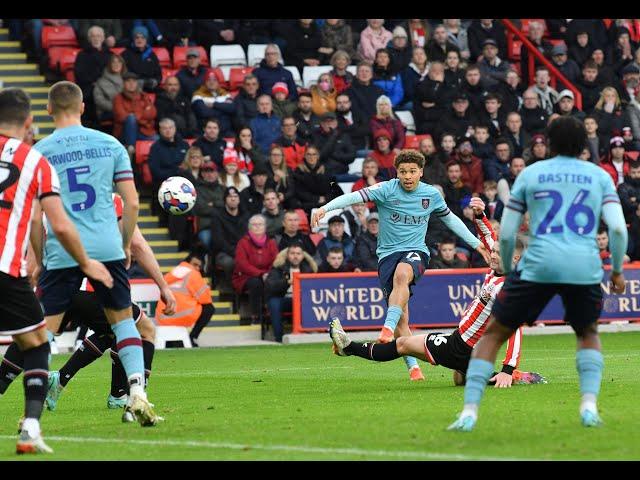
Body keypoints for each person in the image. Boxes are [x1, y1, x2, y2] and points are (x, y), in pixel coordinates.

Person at [447, 116, 628, 432]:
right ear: (583, 145)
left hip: (539, 263)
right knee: (587, 335)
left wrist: (507, 268)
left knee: (495, 333)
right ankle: (588, 407)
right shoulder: (600, 176)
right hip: (583, 265)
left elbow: (507, 235)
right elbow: (615, 228)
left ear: (548, 144)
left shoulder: (531, 174)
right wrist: (615, 271)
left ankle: (469, 412)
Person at [33, 82, 161, 427]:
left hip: (62, 249)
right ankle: (137, 394)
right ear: (84, 107)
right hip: (106, 246)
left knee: (44, 331)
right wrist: (121, 244)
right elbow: (132, 201)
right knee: (125, 323)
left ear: (48, 109)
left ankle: (33, 407)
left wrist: (38, 259)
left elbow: (35, 217)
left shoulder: (40, 152)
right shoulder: (110, 144)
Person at [0, 87, 113, 454]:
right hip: (6, 270)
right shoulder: (36, 161)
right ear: (31, 121)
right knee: (35, 343)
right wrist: (84, 263)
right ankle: (30, 427)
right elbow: (57, 225)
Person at [312, 150, 490, 381]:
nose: (407, 176)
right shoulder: (386, 189)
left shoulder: (430, 195)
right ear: (397, 173)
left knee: (402, 274)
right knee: (403, 320)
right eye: (403, 171)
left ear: (421, 172)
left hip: (416, 252)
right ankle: (414, 368)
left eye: (412, 171)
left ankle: (386, 327)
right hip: (387, 256)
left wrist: (476, 245)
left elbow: (451, 219)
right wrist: (325, 208)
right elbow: (353, 197)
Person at [330, 198, 544, 387]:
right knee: (460, 378)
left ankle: (348, 348)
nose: (493, 254)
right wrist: (480, 216)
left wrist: (507, 368)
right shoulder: (499, 267)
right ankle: (512, 377)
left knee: (403, 344)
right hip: (469, 349)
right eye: (495, 251)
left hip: (458, 346)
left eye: (498, 253)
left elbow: (514, 330)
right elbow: (489, 237)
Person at [42, 195, 176, 414]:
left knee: (111, 333)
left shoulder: (62, 200)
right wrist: (164, 286)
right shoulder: (111, 201)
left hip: (65, 287)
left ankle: (70, 382)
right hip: (95, 285)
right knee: (144, 331)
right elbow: (139, 245)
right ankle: (137, 394)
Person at [155, 253, 213, 347]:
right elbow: (206, 299)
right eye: (195, 264)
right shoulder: (193, 273)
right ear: (188, 262)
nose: (197, 268)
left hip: (162, 318)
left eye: (199, 266)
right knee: (209, 309)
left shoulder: (173, 272)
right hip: (182, 316)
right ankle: (192, 337)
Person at [265, 243, 317, 342]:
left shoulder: (308, 269)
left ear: (303, 255)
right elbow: (270, 286)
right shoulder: (278, 268)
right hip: (284, 298)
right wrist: (287, 282)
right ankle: (279, 338)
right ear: (287, 255)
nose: (295, 256)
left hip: (302, 299)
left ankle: (309, 333)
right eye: (292, 253)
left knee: (310, 301)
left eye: (298, 253)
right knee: (274, 303)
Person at [232, 214, 278, 324]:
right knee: (256, 283)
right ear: (249, 227)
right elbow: (242, 264)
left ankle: (272, 312)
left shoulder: (271, 242)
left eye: (260, 224)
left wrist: (268, 274)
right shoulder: (243, 242)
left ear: (265, 227)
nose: (257, 227)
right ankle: (256, 315)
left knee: (274, 282)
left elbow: (276, 261)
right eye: (254, 224)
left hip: (268, 275)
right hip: (245, 276)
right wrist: (261, 274)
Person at [147, 118, 189, 224]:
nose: (168, 130)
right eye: (164, 128)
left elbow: (189, 166)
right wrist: (176, 171)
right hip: (164, 185)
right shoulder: (155, 148)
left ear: (175, 129)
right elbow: (155, 172)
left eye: (170, 128)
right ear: (160, 130)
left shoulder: (184, 145)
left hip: (185, 184)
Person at [210, 187, 249, 291]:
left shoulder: (245, 215)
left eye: (235, 196)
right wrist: (235, 252)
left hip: (244, 251)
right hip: (224, 252)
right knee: (230, 263)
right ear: (225, 200)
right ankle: (229, 288)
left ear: (239, 199)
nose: (233, 199)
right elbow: (218, 241)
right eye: (230, 196)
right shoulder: (218, 217)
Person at [113, 72, 158, 154]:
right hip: (124, 132)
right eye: (128, 81)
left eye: (134, 81)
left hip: (143, 131)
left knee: (158, 140)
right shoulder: (118, 98)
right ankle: (131, 148)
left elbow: (152, 112)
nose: (131, 84)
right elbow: (121, 116)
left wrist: (136, 116)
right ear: (124, 84)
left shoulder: (144, 96)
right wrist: (143, 117)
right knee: (130, 119)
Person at [74, 25, 111, 126]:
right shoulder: (82, 55)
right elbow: (80, 75)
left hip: (106, 90)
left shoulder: (110, 55)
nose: (96, 39)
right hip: (88, 91)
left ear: (103, 38)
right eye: (93, 36)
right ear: (89, 38)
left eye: (98, 36)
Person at [191, 70, 235, 137]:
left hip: (225, 131)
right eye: (209, 80)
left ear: (218, 82)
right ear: (205, 82)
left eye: (214, 80)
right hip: (207, 133)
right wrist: (224, 110)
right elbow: (204, 112)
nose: (212, 82)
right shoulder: (197, 95)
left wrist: (214, 105)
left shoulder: (225, 94)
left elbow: (232, 108)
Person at [312, 112, 356, 178]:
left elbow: (351, 156)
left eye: (331, 121)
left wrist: (335, 155)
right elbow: (320, 156)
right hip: (323, 173)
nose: (329, 124)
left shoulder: (344, 136)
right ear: (321, 124)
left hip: (342, 172)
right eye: (326, 121)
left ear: (336, 123)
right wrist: (333, 136)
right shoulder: (316, 136)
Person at [193, 161, 224, 250]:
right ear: (202, 174)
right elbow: (201, 209)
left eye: (212, 171)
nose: (209, 174)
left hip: (223, 225)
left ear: (217, 173)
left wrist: (213, 204)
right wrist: (219, 207)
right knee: (206, 240)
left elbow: (227, 206)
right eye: (206, 172)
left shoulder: (223, 189)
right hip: (206, 227)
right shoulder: (196, 190)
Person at [121, 25, 162, 93]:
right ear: (133, 39)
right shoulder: (125, 54)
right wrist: (138, 82)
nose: (140, 40)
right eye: (137, 38)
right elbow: (124, 74)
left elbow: (158, 74)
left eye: (143, 37)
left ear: (146, 40)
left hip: (150, 87)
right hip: (133, 87)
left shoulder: (152, 55)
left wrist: (155, 81)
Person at [93, 54, 125, 125]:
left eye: (119, 62)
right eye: (113, 62)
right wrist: (118, 108)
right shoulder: (101, 81)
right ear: (109, 65)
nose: (116, 64)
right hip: (107, 112)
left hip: (127, 110)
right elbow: (99, 101)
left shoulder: (128, 79)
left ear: (122, 65)